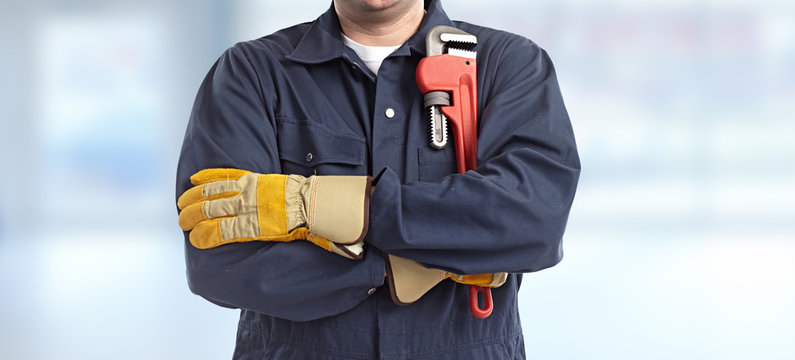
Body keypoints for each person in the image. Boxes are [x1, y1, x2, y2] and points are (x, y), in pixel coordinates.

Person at [175, 0, 580, 358]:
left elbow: (532, 220)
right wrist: (407, 266)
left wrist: (326, 207)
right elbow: (219, 264)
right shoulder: (251, 74)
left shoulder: (508, 65)